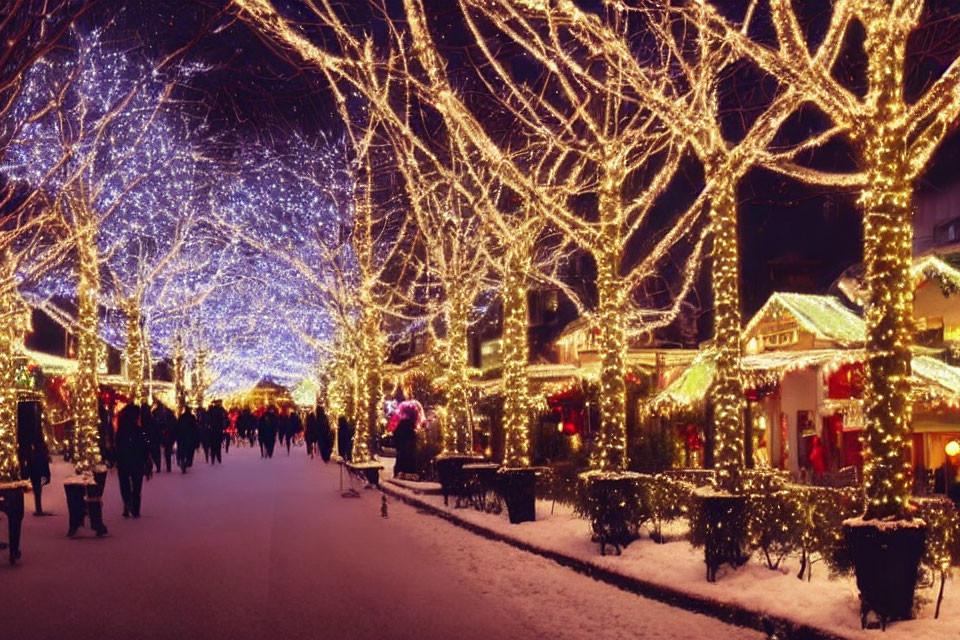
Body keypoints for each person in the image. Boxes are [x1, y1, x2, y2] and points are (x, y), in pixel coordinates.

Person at [116, 403, 150, 518]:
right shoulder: (138, 430)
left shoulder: (121, 430)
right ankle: (135, 507)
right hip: (137, 460)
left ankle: (127, 502)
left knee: (124, 482)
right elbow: (144, 445)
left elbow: (118, 445)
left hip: (124, 460)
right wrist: (146, 458)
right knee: (136, 484)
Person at [23, 437, 52, 516]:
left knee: (37, 487)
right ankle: (38, 509)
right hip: (37, 465)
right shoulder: (39, 449)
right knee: (37, 487)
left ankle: (38, 508)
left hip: (34, 465)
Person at [393, 408, 417, 477]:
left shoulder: (400, 423)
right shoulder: (412, 424)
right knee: (408, 459)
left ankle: (399, 472)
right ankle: (408, 473)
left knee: (400, 459)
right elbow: (413, 436)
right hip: (408, 446)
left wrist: (397, 445)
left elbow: (396, 434)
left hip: (401, 446)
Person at [154, 401, 177, 472]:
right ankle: (168, 466)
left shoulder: (155, 413)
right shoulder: (170, 414)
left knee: (158, 451)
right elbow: (174, 425)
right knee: (167, 450)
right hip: (168, 434)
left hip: (160, 434)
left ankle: (159, 466)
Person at [176, 407, 199, 473]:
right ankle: (187, 463)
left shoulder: (181, 417)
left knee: (183, 451)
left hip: (183, 437)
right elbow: (195, 428)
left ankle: (183, 461)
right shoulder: (192, 417)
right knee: (190, 452)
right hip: (190, 438)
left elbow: (178, 427)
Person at [142, 402, 162, 474]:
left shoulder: (145, 419)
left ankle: (150, 466)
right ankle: (156, 466)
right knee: (153, 453)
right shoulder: (152, 418)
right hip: (152, 438)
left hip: (149, 438)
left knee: (148, 453)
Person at [207, 400, 228, 465]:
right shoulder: (221, 410)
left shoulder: (211, 410)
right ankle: (218, 458)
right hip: (218, 429)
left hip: (212, 430)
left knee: (213, 444)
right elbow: (226, 419)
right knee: (218, 444)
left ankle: (213, 458)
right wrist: (224, 427)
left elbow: (207, 419)